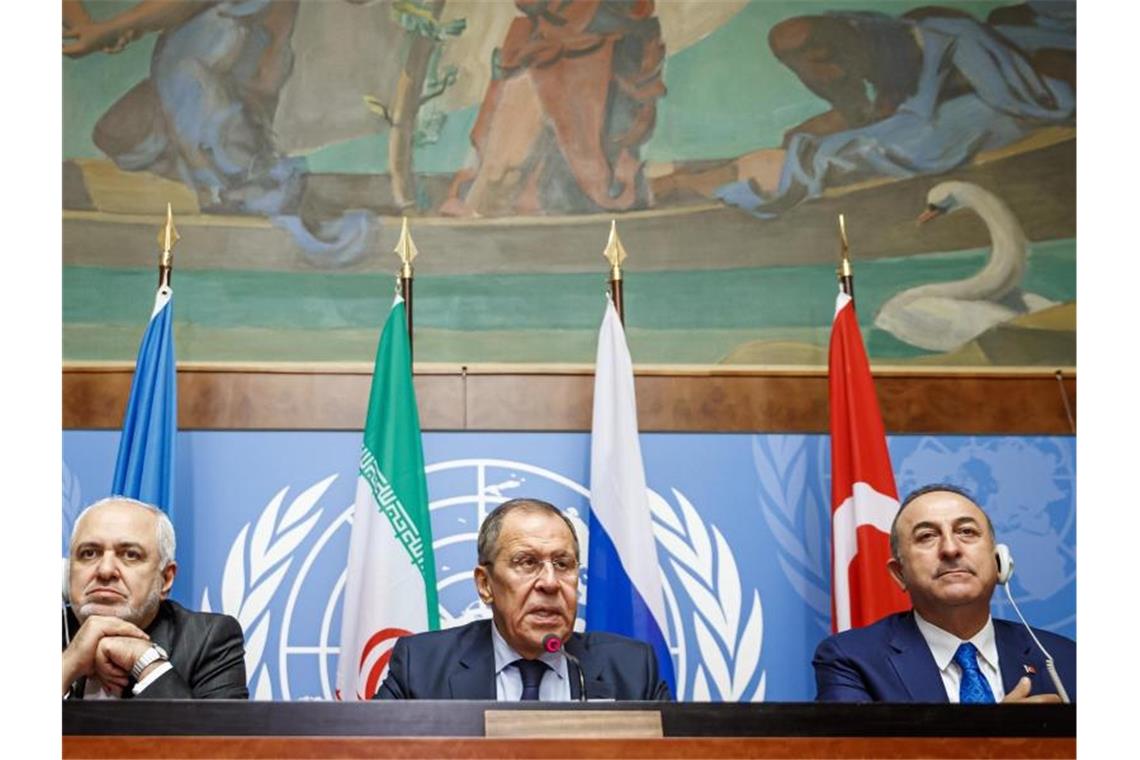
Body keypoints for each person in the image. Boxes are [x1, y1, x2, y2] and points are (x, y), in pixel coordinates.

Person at [376, 498, 671, 700]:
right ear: (485, 584)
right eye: (527, 562)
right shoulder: (422, 665)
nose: (550, 583)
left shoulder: (632, 668)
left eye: (563, 564)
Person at [813, 484, 1075, 703]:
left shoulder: (1065, 658)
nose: (951, 549)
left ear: (999, 562)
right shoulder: (851, 659)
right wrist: (997, 739)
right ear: (899, 574)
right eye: (927, 536)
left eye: (967, 532)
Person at [63, 497, 248, 699]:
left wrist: (146, 661)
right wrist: (69, 664)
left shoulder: (208, 639)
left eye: (130, 555)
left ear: (166, 578)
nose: (105, 570)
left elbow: (214, 730)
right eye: (89, 553)